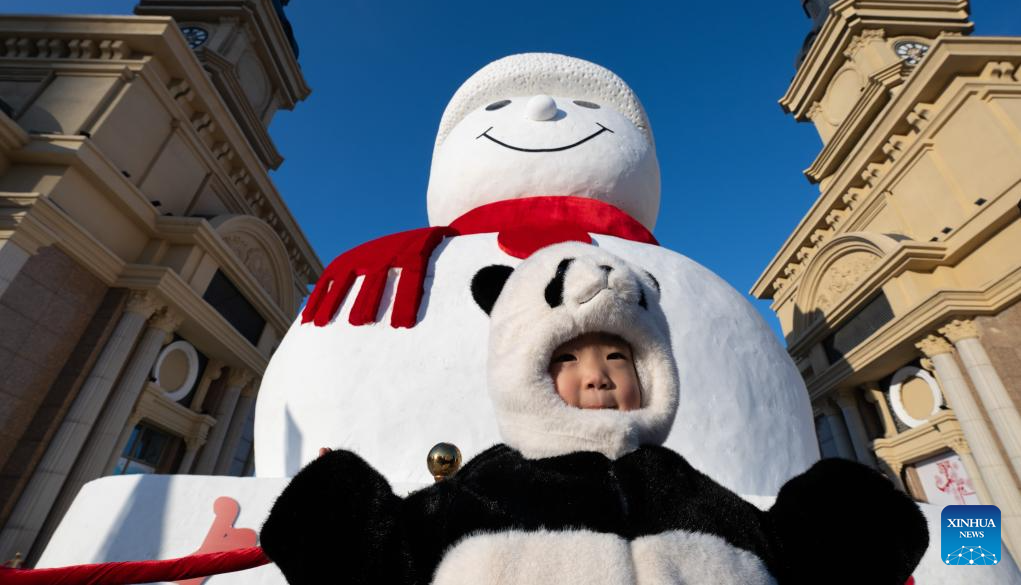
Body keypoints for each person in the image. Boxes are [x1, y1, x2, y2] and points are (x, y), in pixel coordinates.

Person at [261, 243, 928, 585]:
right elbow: (389, 554)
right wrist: (338, 517)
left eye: (618, 353)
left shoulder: (681, 484)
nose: (598, 374)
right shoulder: (489, 485)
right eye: (567, 356)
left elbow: (776, 547)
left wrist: (842, 528)